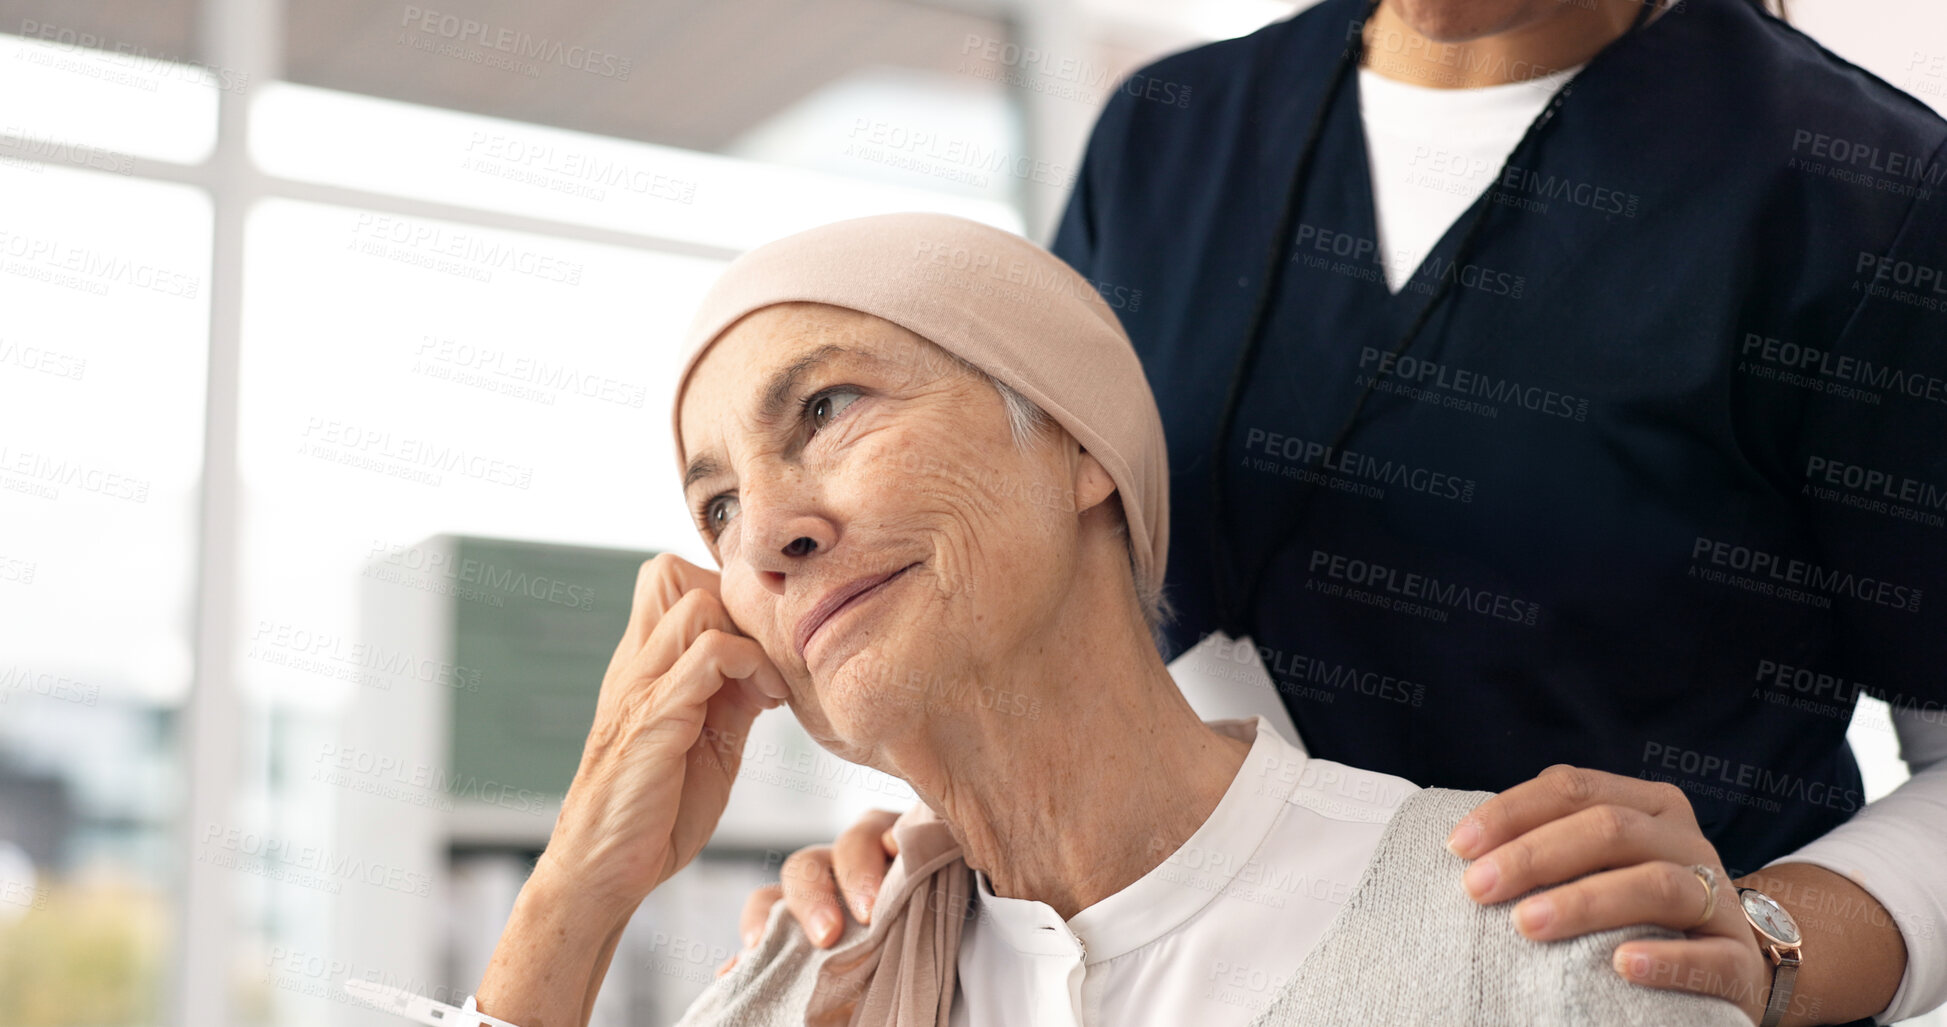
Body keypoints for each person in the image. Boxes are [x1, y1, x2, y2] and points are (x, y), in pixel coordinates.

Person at [745, 1, 1947, 1026]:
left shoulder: (1859, 197)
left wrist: (1776, 941)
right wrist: (953, 841)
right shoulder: (1169, 137)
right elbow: (1048, 588)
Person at [459, 213, 1752, 1027]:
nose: (771, 531)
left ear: (1080, 447)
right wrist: (577, 888)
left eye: (828, 408)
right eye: (718, 505)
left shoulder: (1531, 933)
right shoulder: (794, 985)